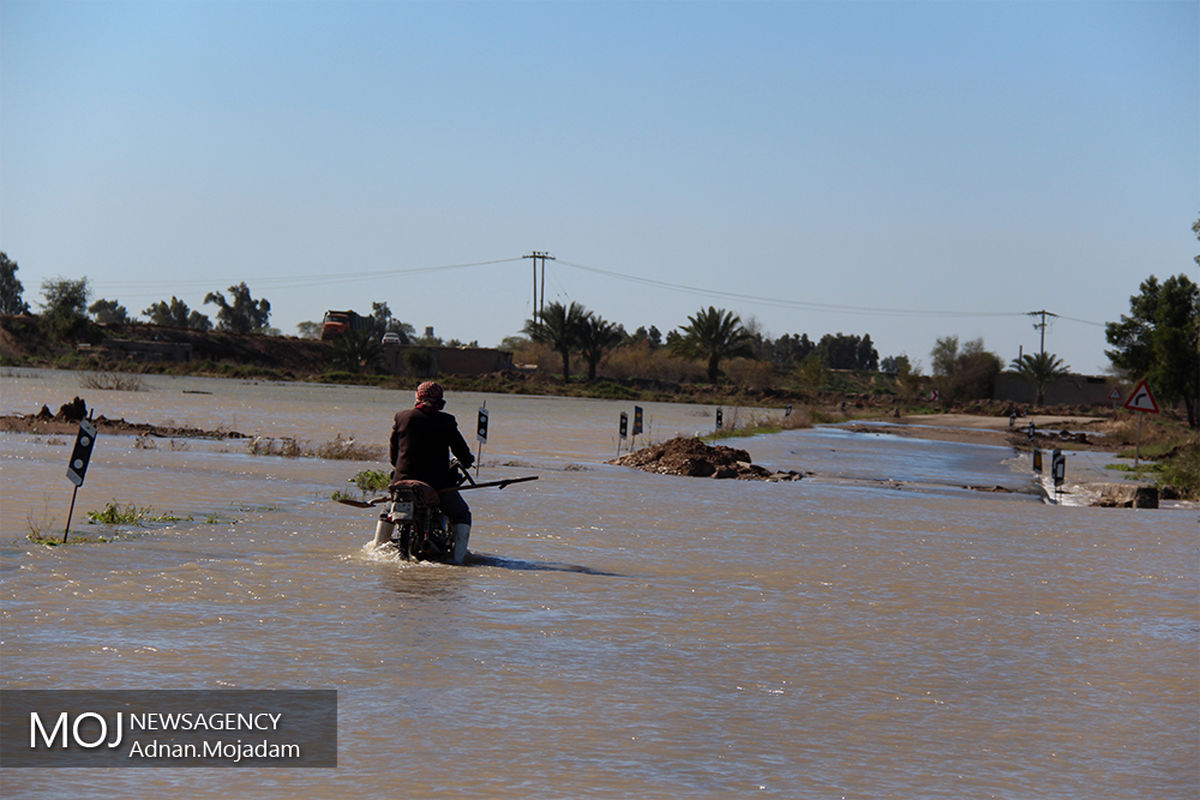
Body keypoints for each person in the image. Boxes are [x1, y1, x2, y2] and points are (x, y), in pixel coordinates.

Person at [389, 381, 475, 563]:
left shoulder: (402, 417)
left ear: (417, 397)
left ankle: (375, 546)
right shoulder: (446, 421)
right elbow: (461, 451)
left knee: (386, 512)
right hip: (437, 485)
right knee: (461, 514)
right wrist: (468, 461)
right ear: (440, 400)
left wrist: (400, 469)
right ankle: (458, 559)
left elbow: (393, 454)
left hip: (403, 481)